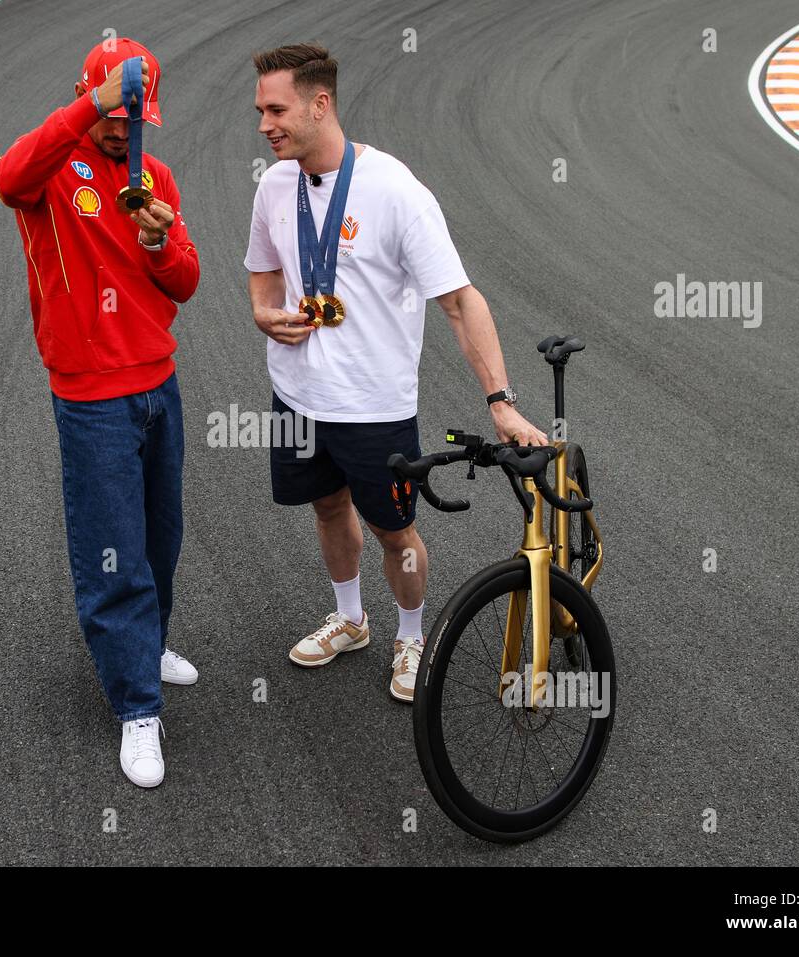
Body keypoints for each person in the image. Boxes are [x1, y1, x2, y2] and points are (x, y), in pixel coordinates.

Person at [244, 43, 548, 704]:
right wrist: (265, 312)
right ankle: (351, 618)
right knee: (326, 507)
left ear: (320, 103)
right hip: (297, 395)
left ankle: (411, 635)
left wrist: (500, 401)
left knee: (394, 531)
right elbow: (262, 269)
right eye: (260, 110)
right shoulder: (273, 185)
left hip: (374, 407)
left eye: (277, 108)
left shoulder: (395, 192)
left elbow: (461, 302)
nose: (265, 123)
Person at [0, 38, 200, 788]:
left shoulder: (155, 176)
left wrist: (162, 240)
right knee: (112, 550)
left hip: (159, 385)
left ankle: (147, 647)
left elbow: (186, 282)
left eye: (132, 117)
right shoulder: (53, 171)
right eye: (113, 115)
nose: (121, 130)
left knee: (160, 538)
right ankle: (136, 706)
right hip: (89, 395)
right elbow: (6, 175)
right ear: (92, 98)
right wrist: (92, 103)